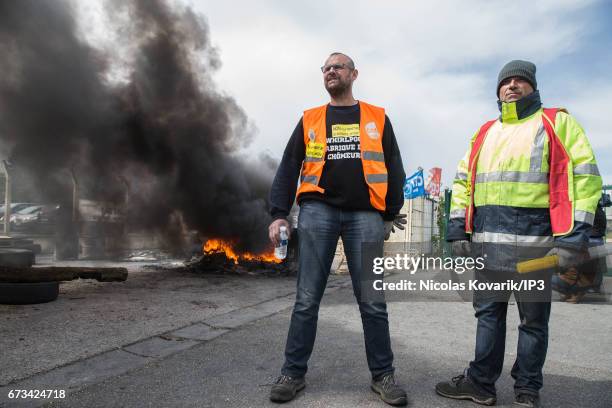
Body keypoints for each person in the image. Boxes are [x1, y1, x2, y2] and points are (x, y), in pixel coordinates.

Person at [437, 60, 602, 407]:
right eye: (506, 81)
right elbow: (463, 182)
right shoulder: (484, 133)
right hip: (488, 249)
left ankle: (527, 390)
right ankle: (481, 383)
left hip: (536, 250)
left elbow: (585, 179)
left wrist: (574, 237)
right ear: (497, 90)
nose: (512, 85)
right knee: (489, 318)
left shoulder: (557, 122)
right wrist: (457, 231)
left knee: (533, 323)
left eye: (520, 81)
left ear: (533, 87)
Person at [267, 52, 407, 405]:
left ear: (354, 74)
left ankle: (384, 376)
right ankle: (292, 373)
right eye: (326, 68)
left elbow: (394, 166)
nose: (331, 71)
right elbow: (289, 166)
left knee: (373, 302)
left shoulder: (377, 117)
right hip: (318, 211)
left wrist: (389, 213)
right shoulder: (310, 118)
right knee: (307, 299)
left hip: (365, 215)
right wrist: (279, 213)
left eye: (338, 66)